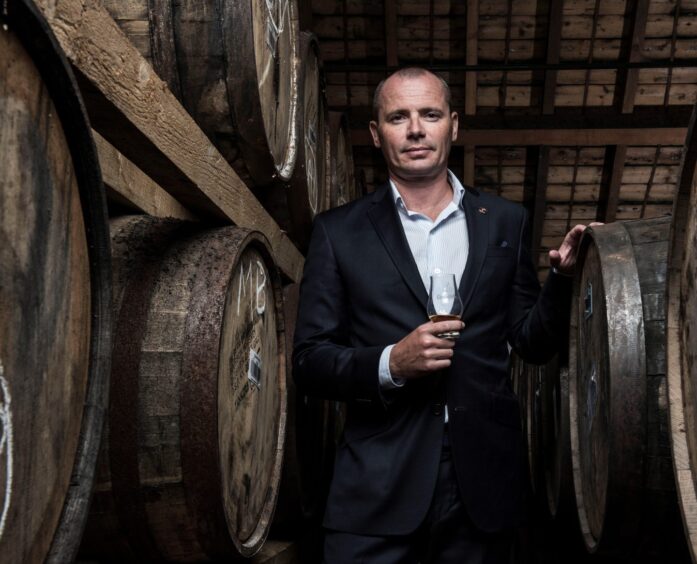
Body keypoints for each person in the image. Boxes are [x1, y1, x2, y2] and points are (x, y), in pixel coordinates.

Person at [293, 67, 585, 563]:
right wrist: (391, 363)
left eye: (429, 114)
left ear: (453, 125)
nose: (415, 130)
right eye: (398, 117)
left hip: (484, 485)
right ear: (375, 133)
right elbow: (309, 361)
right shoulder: (338, 232)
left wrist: (561, 281)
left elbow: (532, 343)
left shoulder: (505, 221)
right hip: (377, 486)